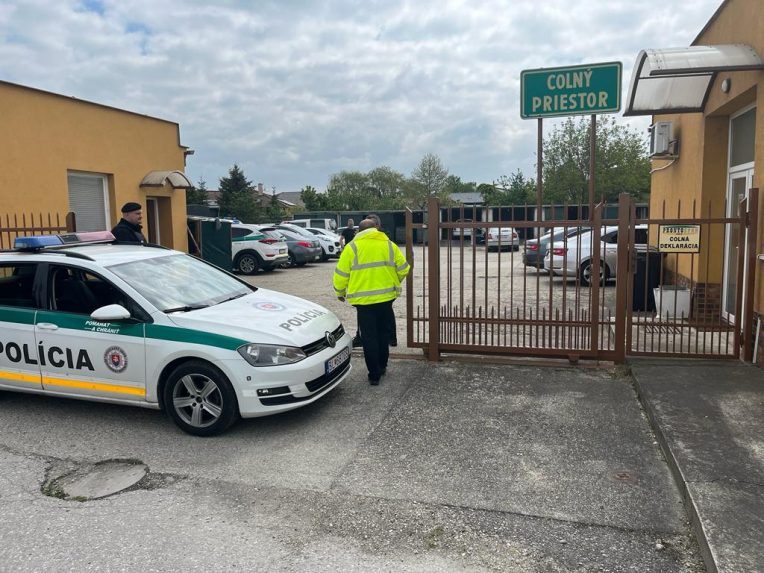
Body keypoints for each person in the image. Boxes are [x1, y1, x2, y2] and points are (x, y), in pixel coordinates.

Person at [333, 219, 410, 385]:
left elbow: (341, 274)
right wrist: (393, 282)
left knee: (369, 337)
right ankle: (382, 366)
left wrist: (340, 292)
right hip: (386, 299)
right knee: (383, 334)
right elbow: (404, 268)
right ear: (376, 229)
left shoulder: (351, 247)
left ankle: (374, 375)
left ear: (357, 231)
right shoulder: (389, 245)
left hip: (363, 302)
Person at [364, 214, 398, 347]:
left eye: (371, 225)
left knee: (386, 315)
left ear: (377, 226)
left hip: (383, 287)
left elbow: (401, 267)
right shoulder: (360, 242)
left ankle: (391, 337)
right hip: (367, 286)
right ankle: (363, 337)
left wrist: (392, 280)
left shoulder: (386, 241)